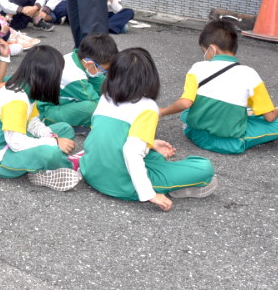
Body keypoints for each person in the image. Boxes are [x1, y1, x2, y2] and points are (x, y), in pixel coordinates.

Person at [81, 48, 216, 210]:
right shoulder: (147, 107)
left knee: (154, 156)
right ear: (149, 78)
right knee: (204, 168)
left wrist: (150, 143)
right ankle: (169, 187)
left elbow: (106, 137)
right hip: (122, 184)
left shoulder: (106, 97)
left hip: (91, 172)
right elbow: (131, 152)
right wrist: (149, 194)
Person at [160, 19, 278, 154]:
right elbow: (269, 117)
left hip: (194, 133)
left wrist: (163, 111)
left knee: (186, 112)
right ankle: (247, 115)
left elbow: (186, 103)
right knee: (269, 119)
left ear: (212, 49)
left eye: (203, 51)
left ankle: (246, 113)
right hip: (230, 143)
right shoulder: (250, 74)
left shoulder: (197, 68)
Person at [0, 45, 81, 191]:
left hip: (13, 137)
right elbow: (16, 143)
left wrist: (51, 136)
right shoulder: (16, 101)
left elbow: (32, 123)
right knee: (50, 152)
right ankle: (66, 165)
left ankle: (42, 168)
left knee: (64, 129)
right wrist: (54, 142)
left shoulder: (26, 89)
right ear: (46, 77)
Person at [36, 33, 118, 131]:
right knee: (92, 107)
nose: (105, 73)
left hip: (58, 102)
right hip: (45, 111)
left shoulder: (78, 58)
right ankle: (59, 123)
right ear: (90, 64)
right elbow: (96, 101)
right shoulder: (74, 77)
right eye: (105, 70)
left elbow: (101, 83)